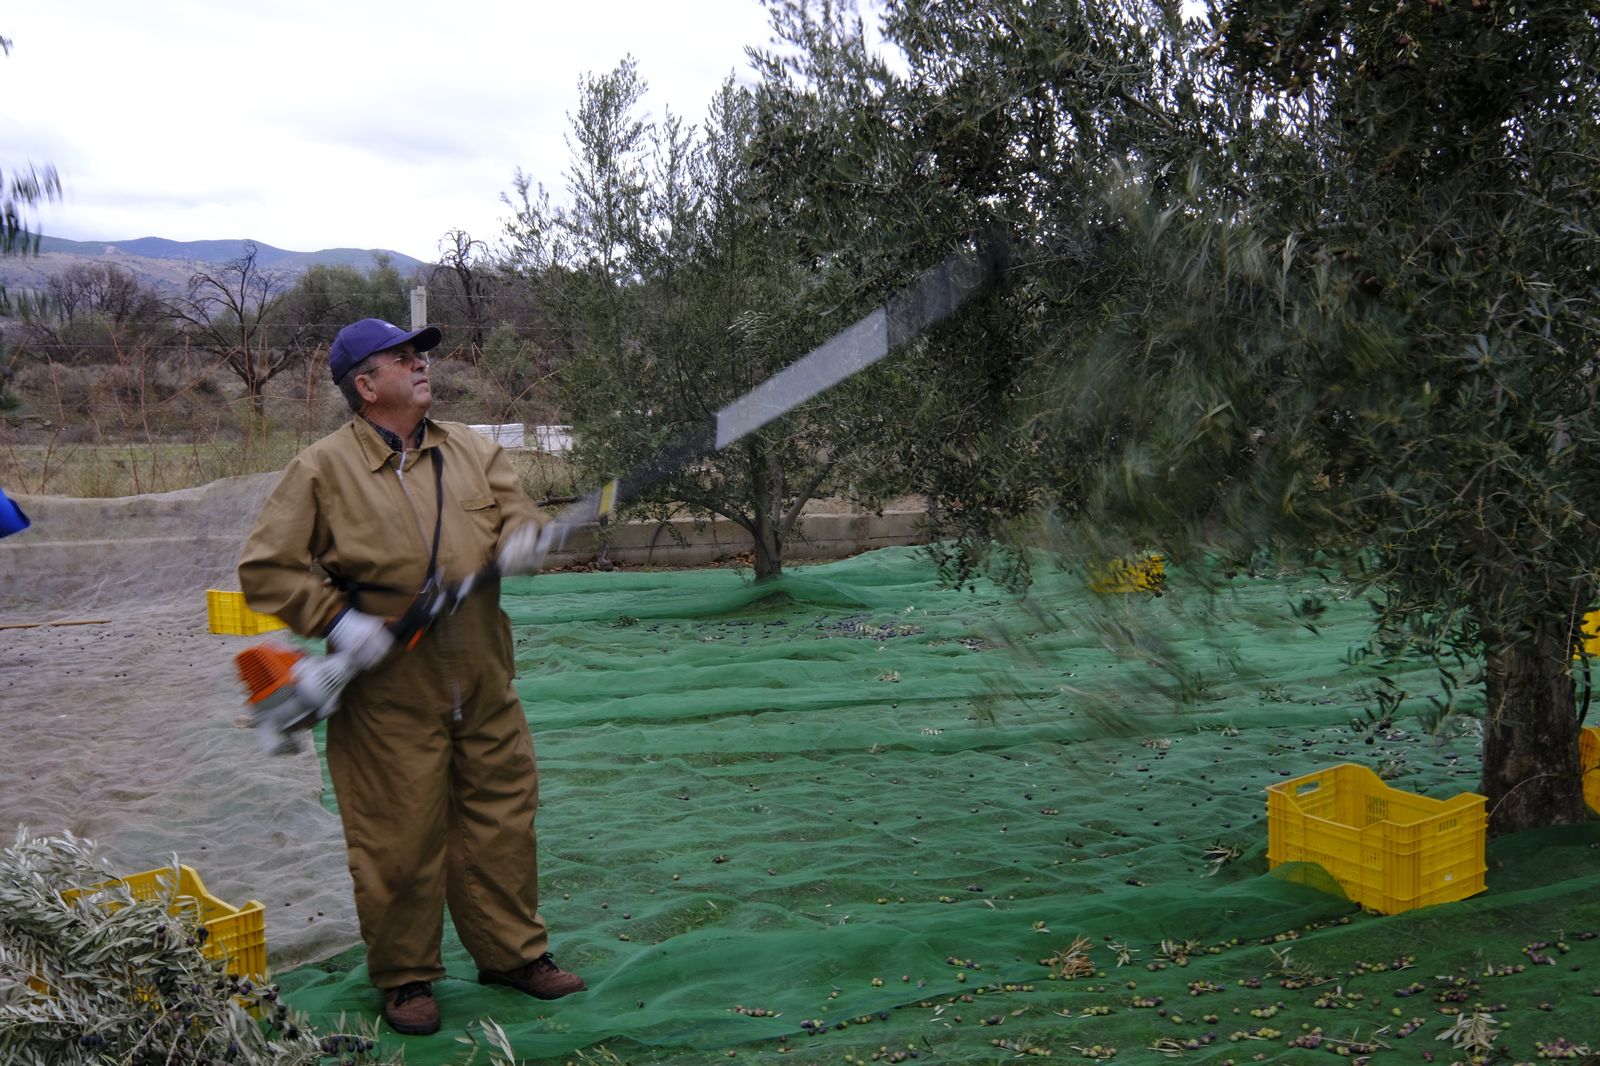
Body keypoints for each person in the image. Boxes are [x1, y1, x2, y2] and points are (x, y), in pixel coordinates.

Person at [238, 317, 583, 1036]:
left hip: (483, 679)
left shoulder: (474, 450)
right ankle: (405, 978)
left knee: (503, 823)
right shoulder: (321, 470)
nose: (422, 364)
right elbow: (267, 570)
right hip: (386, 696)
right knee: (396, 838)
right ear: (366, 386)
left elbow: (516, 513)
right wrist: (339, 622)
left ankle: (513, 956)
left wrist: (526, 538)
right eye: (402, 357)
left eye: (420, 354)